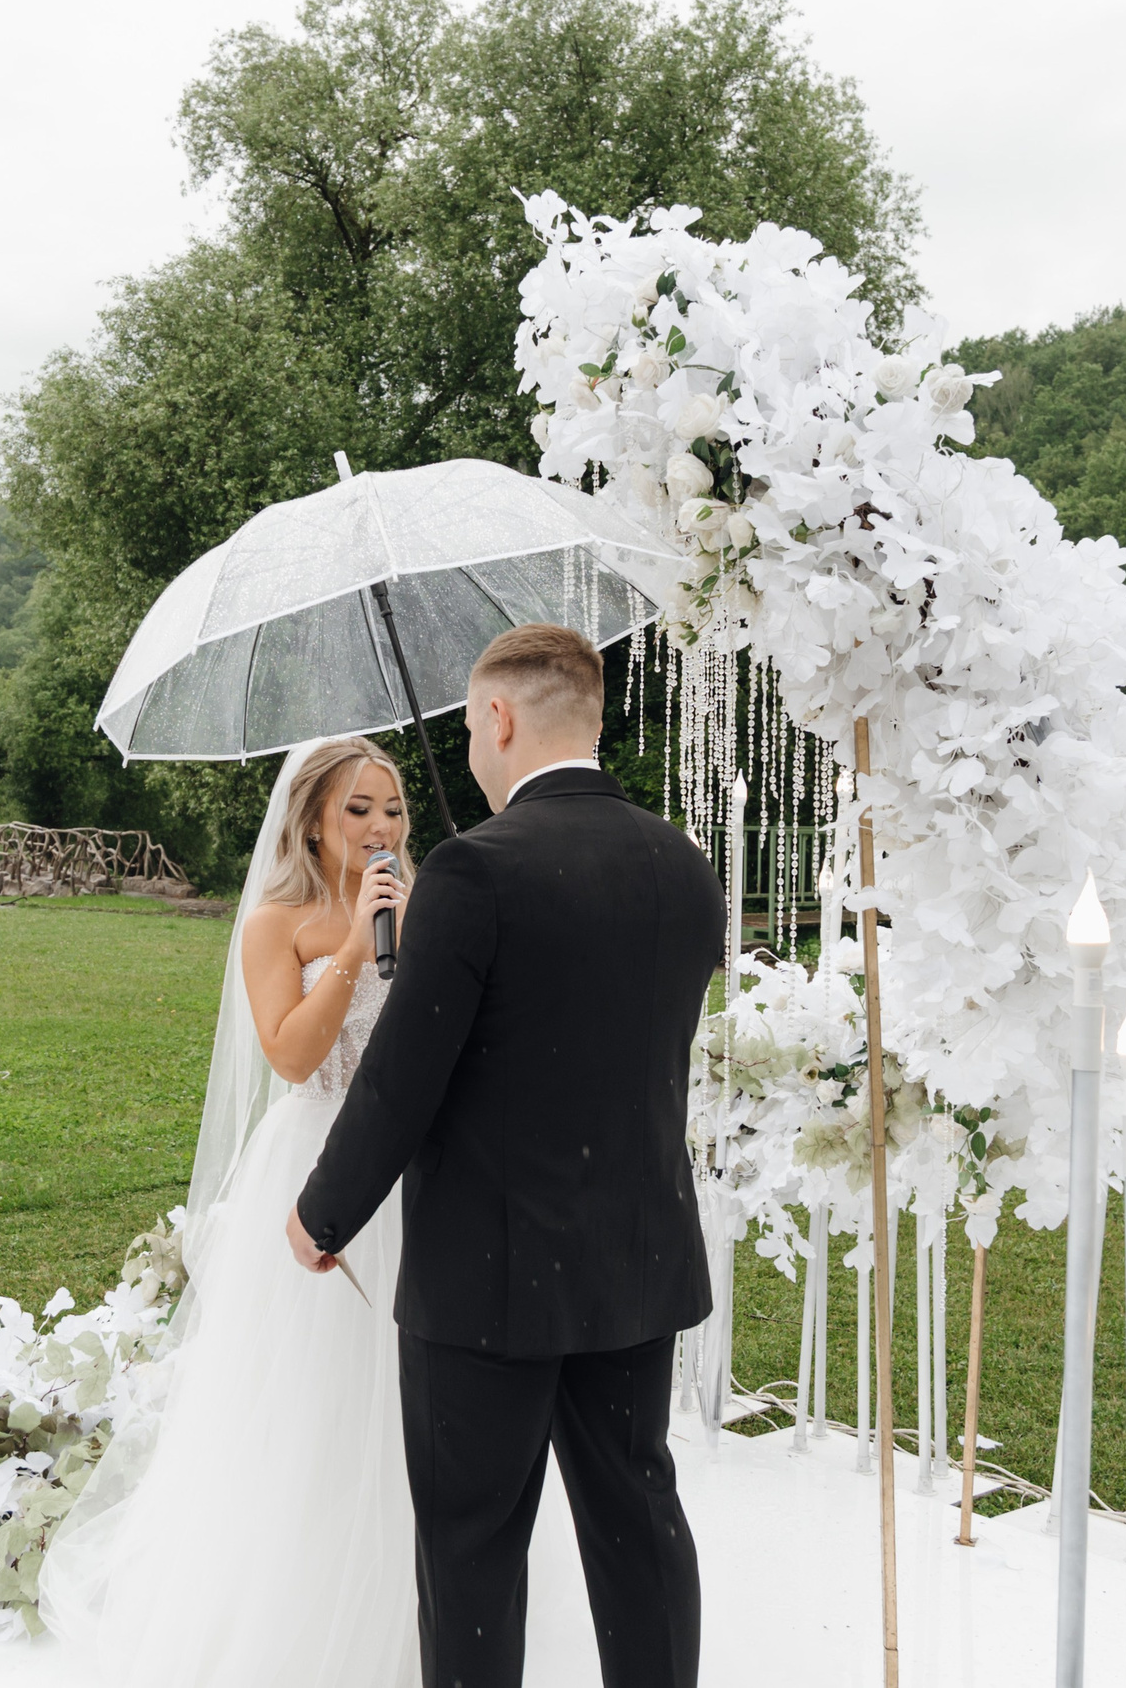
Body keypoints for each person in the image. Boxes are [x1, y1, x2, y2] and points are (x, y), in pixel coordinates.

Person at [36, 734, 594, 1687]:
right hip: (319, 1162)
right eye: (358, 810)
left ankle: (429, 1623)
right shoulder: (277, 922)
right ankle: (308, 1620)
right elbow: (292, 1057)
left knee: (431, 1410)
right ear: (311, 821)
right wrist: (348, 945)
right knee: (318, 1405)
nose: (382, 827)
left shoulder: (433, 904)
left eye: (394, 809)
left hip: (427, 1170)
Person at [292, 624, 727, 1688]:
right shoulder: (681, 861)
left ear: (496, 717)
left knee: (472, 1544)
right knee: (638, 1518)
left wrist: (323, 1214)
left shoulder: (473, 870)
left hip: (488, 1282)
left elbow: (403, 1078)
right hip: (634, 1259)